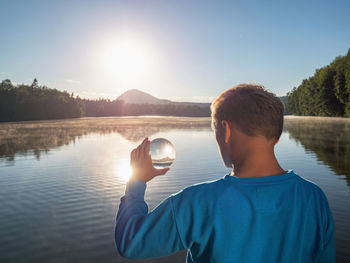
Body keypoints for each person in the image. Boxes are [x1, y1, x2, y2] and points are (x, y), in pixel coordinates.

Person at [115, 84, 335, 263]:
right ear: (276, 136)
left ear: (226, 131)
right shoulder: (314, 198)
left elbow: (131, 242)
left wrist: (136, 180)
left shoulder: (197, 203)